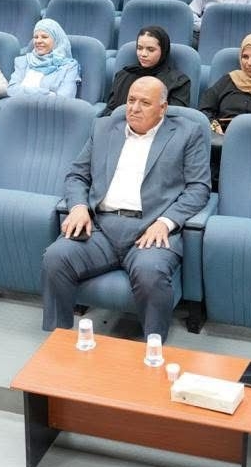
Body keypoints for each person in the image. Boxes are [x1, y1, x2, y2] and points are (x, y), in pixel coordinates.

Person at [41, 76, 210, 339]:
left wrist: (166, 222)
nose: (134, 108)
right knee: (55, 257)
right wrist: (78, 207)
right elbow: (77, 176)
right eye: (131, 100)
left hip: (150, 229)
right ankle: (57, 340)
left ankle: (152, 347)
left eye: (145, 103)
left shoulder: (187, 133)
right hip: (100, 228)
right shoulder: (104, 128)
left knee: (150, 272)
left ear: (163, 108)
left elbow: (199, 188)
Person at [103, 26, 190, 117]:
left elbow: (175, 118)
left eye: (151, 50)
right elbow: (109, 111)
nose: (143, 54)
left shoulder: (178, 82)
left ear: (163, 51)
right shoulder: (123, 75)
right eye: (139, 48)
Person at [6, 18, 81, 98]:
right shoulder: (23, 61)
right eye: (36, 37)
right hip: (21, 105)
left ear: (56, 40)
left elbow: (66, 97)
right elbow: (12, 90)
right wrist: (49, 93)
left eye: (44, 37)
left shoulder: (69, 66)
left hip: (52, 107)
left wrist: (25, 91)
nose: (38, 41)